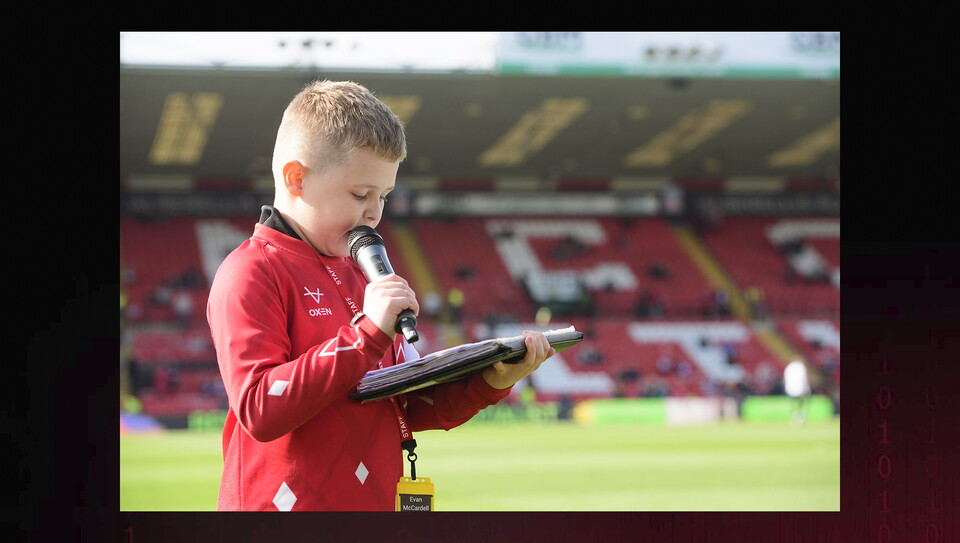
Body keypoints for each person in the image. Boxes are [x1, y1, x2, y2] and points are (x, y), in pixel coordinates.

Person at [206, 80, 555, 511]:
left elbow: (402, 405)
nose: (374, 212)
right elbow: (259, 408)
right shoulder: (250, 271)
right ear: (296, 178)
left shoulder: (364, 276)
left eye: (384, 196)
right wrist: (367, 335)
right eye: (360, 194)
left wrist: (490, 381)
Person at [783, 360, 811, 425]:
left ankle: (795, 416)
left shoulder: (789, 367)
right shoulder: (801, 367)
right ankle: (799, 416)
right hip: (800, 388)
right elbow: (804, 378)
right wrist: (807, 387)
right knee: (802, 402)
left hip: (790, 388)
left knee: (794, 403)